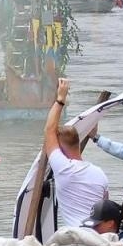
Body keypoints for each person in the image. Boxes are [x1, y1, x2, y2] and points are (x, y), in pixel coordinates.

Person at [44, 78, 109, 229]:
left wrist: (60, 99)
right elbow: (105, 207)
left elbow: (49, 131)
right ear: (77, 143)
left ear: (60, 147)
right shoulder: (100, 174)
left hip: (74, 237)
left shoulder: (63, 168)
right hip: (96, 236)